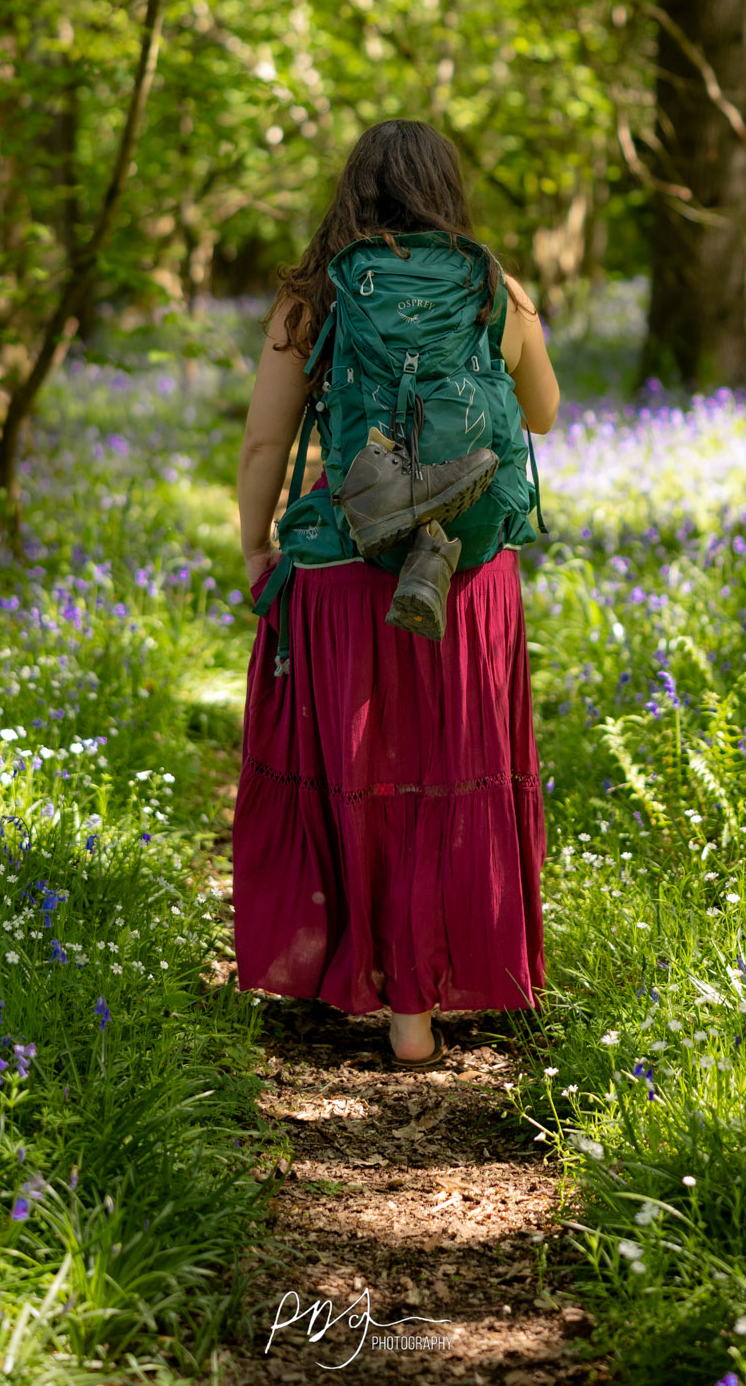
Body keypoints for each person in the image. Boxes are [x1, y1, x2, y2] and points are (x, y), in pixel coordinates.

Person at [232, 120, 560, 1066]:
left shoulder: (312, 296)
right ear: (444, 191)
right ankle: (429, 998)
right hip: (462, 564)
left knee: (361, 766)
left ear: (351, 193)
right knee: (447, 764)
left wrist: (256, 546)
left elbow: (263, 443)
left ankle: (365, 982)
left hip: (342, 562)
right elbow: (538, 413)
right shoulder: (492, 285)